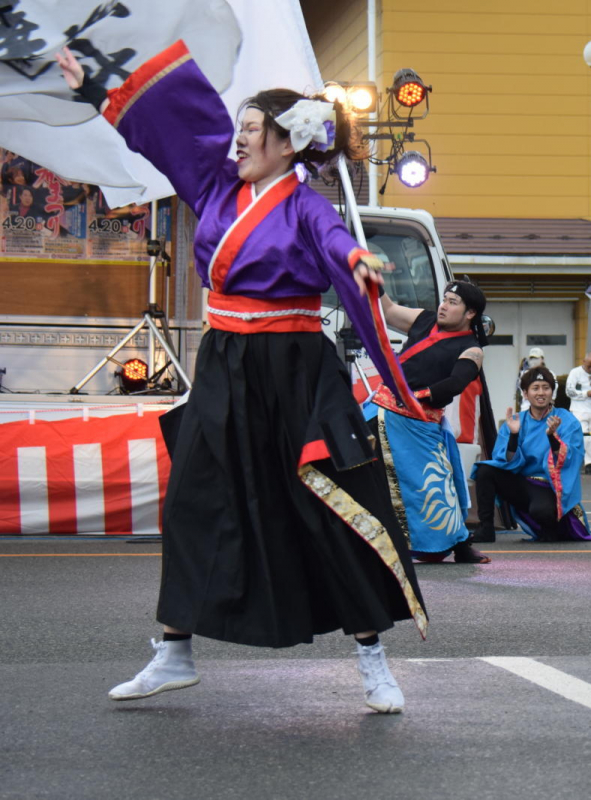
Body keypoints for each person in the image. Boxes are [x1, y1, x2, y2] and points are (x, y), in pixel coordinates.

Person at [56, 43, 428, 713]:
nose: (238, 144)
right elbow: (168, 132)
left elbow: (334, 241)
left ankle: (374, 660)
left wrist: (359, 262)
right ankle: (174, 652)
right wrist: (102, 89)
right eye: (240, 132)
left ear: (289, 145)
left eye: (252, 132)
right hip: (226, 363)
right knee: (193, 501)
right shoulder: (214, 190)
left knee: (327, 504)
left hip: (293, 369)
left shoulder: (305, 206)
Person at [363, 280, 494, 563]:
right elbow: (388, 310)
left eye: (452, 302)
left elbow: (456, 383)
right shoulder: (424, 320)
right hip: (382, 411)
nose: (444, 306)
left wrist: (417, 395)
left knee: (437, 487)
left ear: (470, 313)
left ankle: (459, 546)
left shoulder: (472, 349)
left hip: (419, 423)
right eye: (444, 299)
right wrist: (374, 284)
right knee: (361, 472)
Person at [472, 366, 591, 542]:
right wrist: (514, 435)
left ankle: (551, 528)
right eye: (535, 388)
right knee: (485, 470)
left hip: (550, 488)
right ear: (525, 393)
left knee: (542, 512)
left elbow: (570, 460)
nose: (541, 393)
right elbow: (505, 462)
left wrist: (552, 438)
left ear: (552, 393)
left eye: (546, 388)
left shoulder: (567, 421)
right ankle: (486, 528)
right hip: (523, 485)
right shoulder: (517, 421)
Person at [565, 351, 591, 474]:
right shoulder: (574, 373)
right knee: (584, 436)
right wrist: (585, 394)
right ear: (583, 362)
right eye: (589, 366)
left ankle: (590, 464)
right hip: (579, 409)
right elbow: (569, 392)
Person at [516, 346, 550, 411]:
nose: (533, 361)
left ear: (542, 359)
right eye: (531, 358)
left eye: (536, 358)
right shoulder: (524, 374)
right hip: (526, 408)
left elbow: (552, 395)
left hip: (545, 409)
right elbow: (521, 392)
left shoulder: (549, 374)